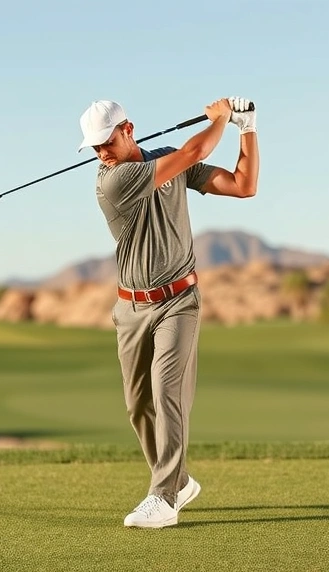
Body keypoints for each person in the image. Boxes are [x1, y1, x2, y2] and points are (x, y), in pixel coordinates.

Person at [76, 97, 260, 528]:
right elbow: (194, 152)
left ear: (128, 129)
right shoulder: (112, 181)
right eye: (94, 147)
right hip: (130, 308)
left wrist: (246, 128)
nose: (101, 153)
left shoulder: (167, 161)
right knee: (138, 405)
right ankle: (178, 481)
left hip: (179, 301)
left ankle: (163, 496)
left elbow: (243, 185)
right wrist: (220, 119)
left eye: (106, 141)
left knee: (166, 390)